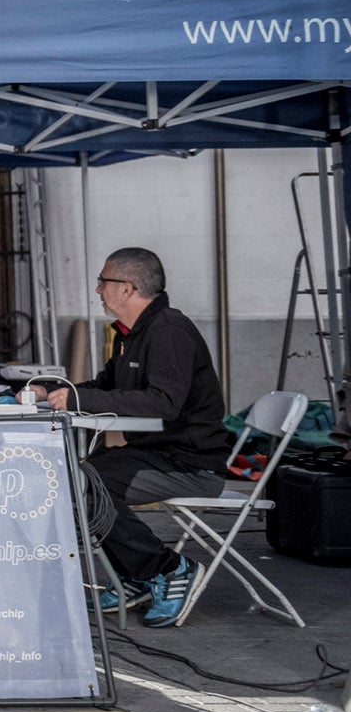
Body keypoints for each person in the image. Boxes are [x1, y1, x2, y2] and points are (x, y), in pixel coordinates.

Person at [42, 247, 224, 627]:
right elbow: (105, 387)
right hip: (153, 454)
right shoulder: (133, 335)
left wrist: (80, 398)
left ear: (127, 288)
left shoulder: (169, 332)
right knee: (73, 478)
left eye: (103, 282)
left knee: (87, 484)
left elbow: (164, 403)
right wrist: (56, 392)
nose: (98, 290)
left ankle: (170, 568)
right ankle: (137, 577)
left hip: (188, 463)